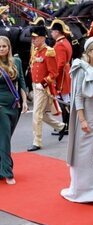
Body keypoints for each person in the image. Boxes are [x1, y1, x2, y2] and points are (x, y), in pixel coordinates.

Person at [61, 37, 93, 202]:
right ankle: (82, 190)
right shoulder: (81, 68)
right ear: (87, 52)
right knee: (84, 154)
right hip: (87, 115)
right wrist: (82, 120)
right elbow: (78, 97)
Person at [27, 26, 66, 152]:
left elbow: (53, 73)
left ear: (43, 38)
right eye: (32, 38)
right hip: (35, 85)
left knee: (36, 114)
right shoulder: (36, 51)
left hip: (43, 88)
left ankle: (37, 142)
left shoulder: (49, 52)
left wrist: (43, 83)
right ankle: (61, 127)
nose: (33, 40)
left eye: (35, 38)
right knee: (42, 115)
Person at [0, 36, 28, 185]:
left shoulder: (16, 61)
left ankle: (1, 168)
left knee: (5, 138)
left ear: (9, 47)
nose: (2, 49)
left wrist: (24, 101)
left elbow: (22, 81)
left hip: (14, 105)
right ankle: (7, 172)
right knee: (4, 140)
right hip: (1, 107)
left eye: (4, 46)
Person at [48, 19, 73, 136]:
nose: (51, 33)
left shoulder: (59, 45)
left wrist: (53, 76)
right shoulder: (65, 42)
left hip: (62, 76)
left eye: (52, 31)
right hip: (66, 73)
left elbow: (60, 64)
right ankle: (67, 125)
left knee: (64, 102)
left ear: (57, 32)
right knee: (65, 101)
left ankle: (66, 126)